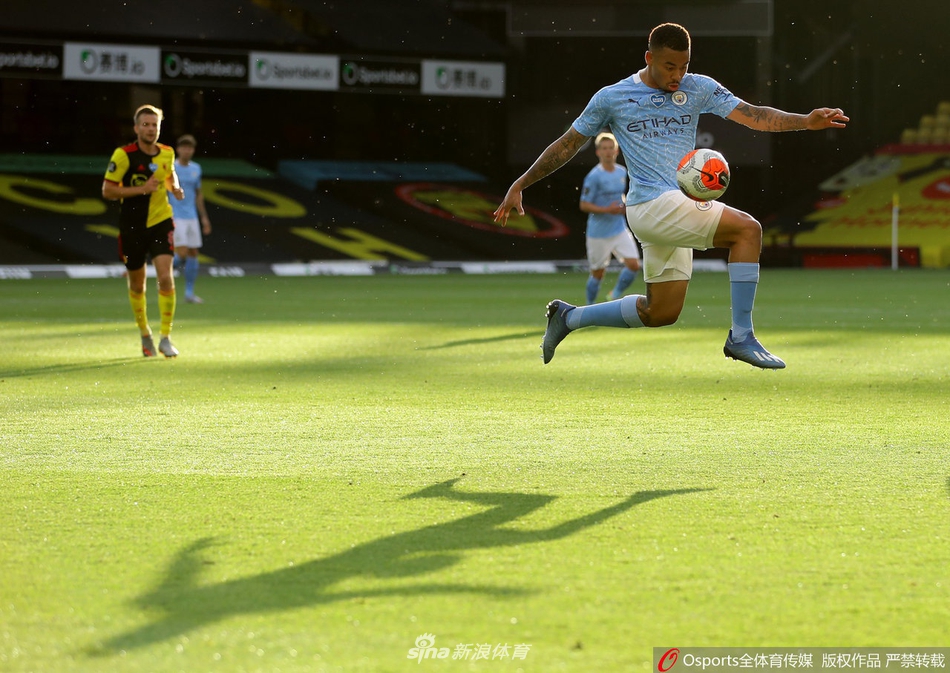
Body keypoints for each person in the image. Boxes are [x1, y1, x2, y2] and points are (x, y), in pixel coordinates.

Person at [493, 22, 848, 369]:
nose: (678, 74)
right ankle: (741, 336)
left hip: (677, 206)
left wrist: (805, 121)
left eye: (684, 65)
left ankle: (568, 318)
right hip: (649, 204)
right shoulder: (612, 97)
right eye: (669, 66)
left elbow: (754, 116)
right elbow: (568, 144)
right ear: (649, 58)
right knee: (748, 230)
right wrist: (520, 183)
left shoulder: (699, 87)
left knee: (660, 313)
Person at [102, 104, 184, 358]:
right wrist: (142, 190)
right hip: (132, 227)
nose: (150, 129)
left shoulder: (168, 153)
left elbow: (169, 175)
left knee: (166, 278)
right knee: (137, 286)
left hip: (161, 221)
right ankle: (144, 332)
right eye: (146, 125)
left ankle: (166, 337)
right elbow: (108, 190)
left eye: (155, 125)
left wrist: (175, 188)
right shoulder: (123, 155)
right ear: (137, 128)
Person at [579, 132, 641, 304]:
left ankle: (614, 294)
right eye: (604, 148)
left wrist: (624, 206)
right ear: (598, 152)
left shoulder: (622, 172)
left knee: (634, 265)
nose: (608, 152)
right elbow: (584, 205)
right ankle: (589, 307)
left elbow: (620, 196)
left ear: (617, 150)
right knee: (598, 273)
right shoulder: (594, 176)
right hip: (598, 232)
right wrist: (607, 209)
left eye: (611, 148)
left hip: (619, 227)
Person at [171, 134, 212, 304]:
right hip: (175, 215)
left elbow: (198, 195)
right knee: (181, 252)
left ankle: (189, 293)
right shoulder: (171, 167)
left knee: (193, 252)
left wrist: (204, 218)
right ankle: (163, 274)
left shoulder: (196, 168)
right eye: (184, 147)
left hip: (192, 216)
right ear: (178, 149)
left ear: (193, 150)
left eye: (190, 148)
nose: (187, 151)